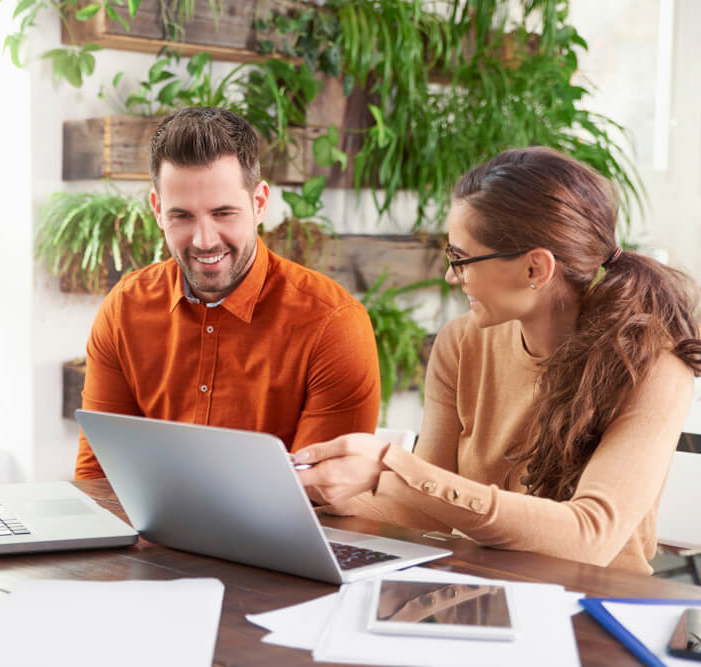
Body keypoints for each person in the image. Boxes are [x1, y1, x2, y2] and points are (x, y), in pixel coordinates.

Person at [294, 146, 701, 574]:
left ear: (535, 269)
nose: (452, 276)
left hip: (598, 611)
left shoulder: (651, 367)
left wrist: (390, 467)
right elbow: (430, 509)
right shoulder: (460, 344)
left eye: (461, 259)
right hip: (476, 589)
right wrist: (318, 493)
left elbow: (590, 538)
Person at [74, 106, 381, 479]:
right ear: (157, 209)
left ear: (260, 203)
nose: (204, 241)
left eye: (223, 213)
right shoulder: (124, 309)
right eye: (181, 216)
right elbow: (98, 479)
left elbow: (321, 501)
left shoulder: (332, 325)